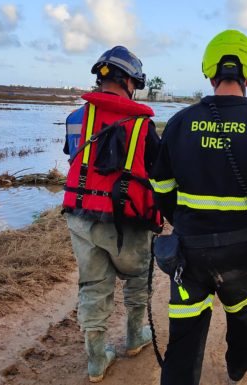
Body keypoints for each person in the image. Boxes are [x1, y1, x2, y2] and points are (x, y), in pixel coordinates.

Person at [150, 29, 247, 385]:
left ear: (209, 71)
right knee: (243, 320)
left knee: (184, 335)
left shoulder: (179, 123)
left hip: (189, 252)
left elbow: (160, 188)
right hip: (243, 252)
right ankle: (236, 371)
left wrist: (184, 221)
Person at [62, 46, 162, 383]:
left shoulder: (75, 118)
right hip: (126, 221)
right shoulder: (143, 126)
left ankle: (96, 360)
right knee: (137, 277)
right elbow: (157, 173)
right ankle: (135, 337)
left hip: (79, 215)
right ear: (132, 82)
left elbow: (73, 156)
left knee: (92, 284)